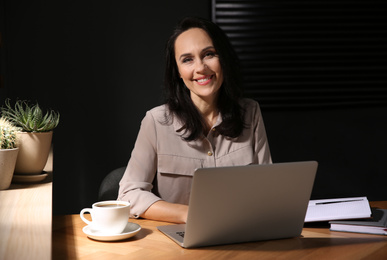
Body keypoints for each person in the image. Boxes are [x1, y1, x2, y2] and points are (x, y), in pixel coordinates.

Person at [118, 17, 272, 223]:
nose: (200, 68)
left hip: (240, 234)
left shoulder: (250, 112)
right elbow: (128, 194)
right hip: (178, 243)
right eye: (187, 59)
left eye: (209, 54)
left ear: (223, 59)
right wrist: (187, 214)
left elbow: (269, 189)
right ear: (178, 72)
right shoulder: (155, 121)